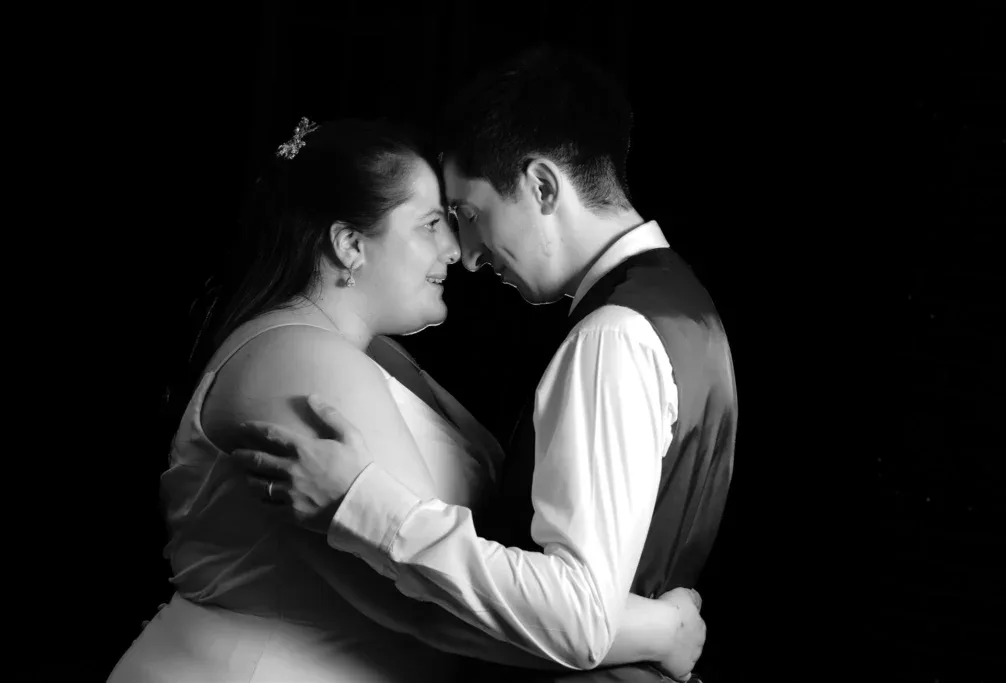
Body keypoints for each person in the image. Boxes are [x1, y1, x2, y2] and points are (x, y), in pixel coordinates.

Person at [107, 116, 705, 683]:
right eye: (429, 224)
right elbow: (421, 605)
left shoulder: (365, 352)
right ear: (350, 245)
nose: (456, 249)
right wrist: (656, 631)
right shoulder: (299, 365)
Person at [234, 46, 737, 682]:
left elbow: (579, 617)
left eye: (469, 216)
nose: (468, 257)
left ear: (542, 186)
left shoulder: (613, 334)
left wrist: (359, 503)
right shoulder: (686, 309)